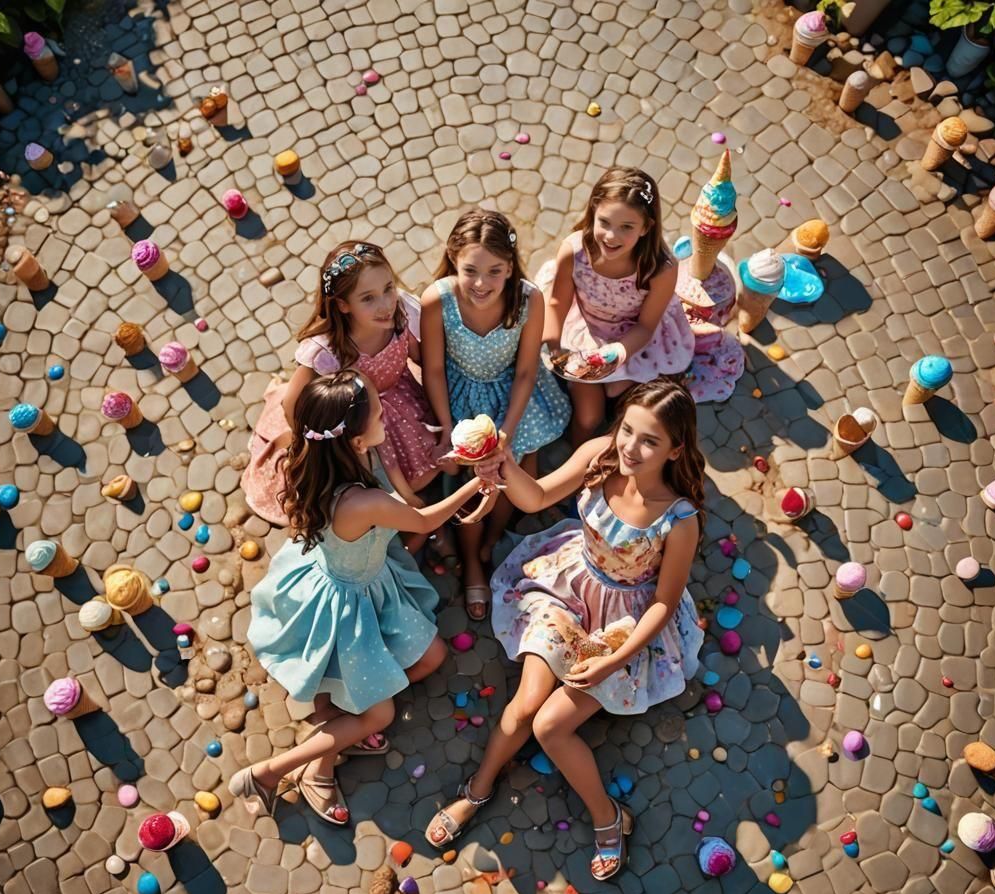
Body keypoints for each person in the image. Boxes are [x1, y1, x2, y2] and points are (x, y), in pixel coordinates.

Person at [426, 379, 705, 881]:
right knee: (526, 705)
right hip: (570, 589)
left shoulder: (679, 520)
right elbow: (535, 499)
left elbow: (664, 603)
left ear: (676, 449)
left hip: (626, 625)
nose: (630, 448)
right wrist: (501, 460)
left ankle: (609, 818)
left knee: (550, 727)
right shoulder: (600, 453)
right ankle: (478, 790)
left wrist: (614, 659)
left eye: (650, 442)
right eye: (628, 431)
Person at [231, 371, 496, 825]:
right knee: (380, 715)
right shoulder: (361, 502)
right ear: (353, 436)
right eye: (376, 412)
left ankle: (335, 726)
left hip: (358, 580)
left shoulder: (325, 460)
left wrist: (452, 457)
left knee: (430, 656)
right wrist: (478, 481)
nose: (383, 415)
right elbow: (424, 520)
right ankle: (270, 772)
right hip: (349, 606)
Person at [420, 208, 570, 620]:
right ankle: (472, 558)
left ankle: (493, 535)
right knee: (468, 476)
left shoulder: (528, 300)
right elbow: (432, 369)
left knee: (516, 466)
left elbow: (525, 371)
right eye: (470, 270)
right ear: (453, 258)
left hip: (511, 394)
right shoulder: (438, 299)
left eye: (495, 270)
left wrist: (506, 431)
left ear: (510, 267)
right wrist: (447, 427)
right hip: (457, 395)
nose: (481, 283)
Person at [241, 241, 443, 534]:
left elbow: (420, 356)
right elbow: (292, 407)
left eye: (388, 288)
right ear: (343, 304)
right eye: (368, 298)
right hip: (357, 420)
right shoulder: (327, 352)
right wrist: (331, 446)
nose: (386, 304)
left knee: (430, 461)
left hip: (401, 400)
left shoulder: (400, 312)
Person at [535, 167, 742, 444]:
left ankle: (614, 451)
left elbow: (646, 326)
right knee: (588, 418)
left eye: (627, 227)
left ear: (646, 227)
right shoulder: (574, 252)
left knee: (624, 403)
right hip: (584, 330)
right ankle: (576, 460)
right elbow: (558, 301)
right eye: (605, 222)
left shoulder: (660, 269)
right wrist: (554, 343)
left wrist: (618, 353)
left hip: (634, 339)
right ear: (593, 212)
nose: (611, 236)